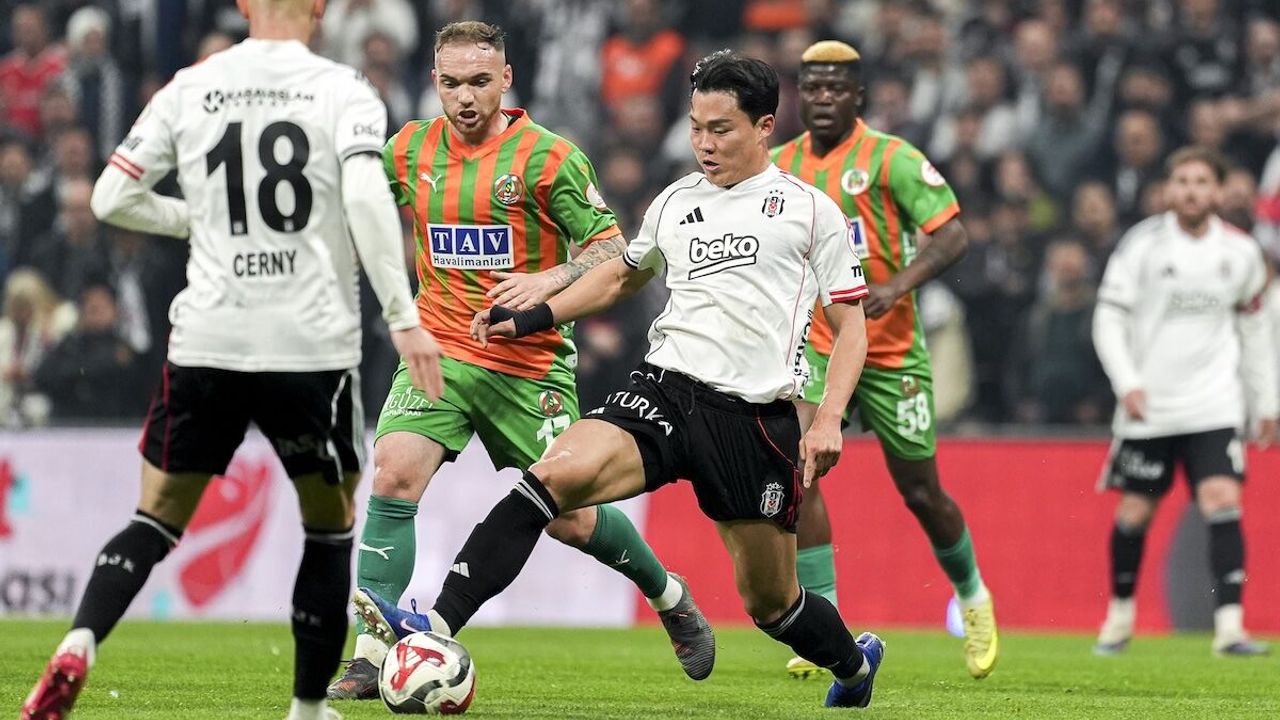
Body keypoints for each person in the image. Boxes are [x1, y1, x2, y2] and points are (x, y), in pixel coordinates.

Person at [357, 50, 888, 709]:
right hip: (664, 390)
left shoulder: (811, 212)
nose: (704, 143)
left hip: (751, 418)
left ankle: (853, 666)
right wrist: (535, 313)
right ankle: (434, 628)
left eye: (720, 129)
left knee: (771, 604)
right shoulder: (677, 201)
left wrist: (830, 416)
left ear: (764, 127)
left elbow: (851, 326)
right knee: (550, 478)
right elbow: (621, 277)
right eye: (695, 127)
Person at [20, 2, 443, 719]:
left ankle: (79, 643)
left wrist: (194, 219)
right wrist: (403, 316)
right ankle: (307, 710)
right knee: (329, 525)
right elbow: (367, 196)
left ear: (244, 5)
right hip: (309, 345)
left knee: (155, 518)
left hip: (208, 340)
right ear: (319, 8)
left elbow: (111, 196)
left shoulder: (191, 86)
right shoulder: (343, 89)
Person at [326, 20, 713, 700]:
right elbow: (357, 208)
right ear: (434, 82)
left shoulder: (549, 158)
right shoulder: (409, 149)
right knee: (392, 474)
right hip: (441, 350)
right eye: (451, 83)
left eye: (479, 82)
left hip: (528, 362)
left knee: (570, 517)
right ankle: (368, 652)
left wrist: (550, 279)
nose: (465, 97)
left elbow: (611, 247)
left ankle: (668, 594)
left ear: (505, 79)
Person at [770, 40, 998, 679]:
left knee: (921, 491)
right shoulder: (779, 166)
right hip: (818, 346)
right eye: (812, 88)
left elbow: (953, 234)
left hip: (892, 352)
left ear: (858, 95)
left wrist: (897, 286)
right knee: (801, 470)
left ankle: (973, 595)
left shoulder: (892, 159)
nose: (822, 99)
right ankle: (822, 625)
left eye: (835, 88)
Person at [1092, 146, 1277, 657]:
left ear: (1218, 191)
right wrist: (1126, 381)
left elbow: (1256, 328)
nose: (1191, 191)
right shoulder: (1142, 246)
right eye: (1182, 181)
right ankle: (1119, 618)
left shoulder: (1240, 253)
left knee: (1223, 499)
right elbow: (1108, 317)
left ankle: (1230, 629)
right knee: (1135, 511)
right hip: (1149, 407)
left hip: (1214, 404)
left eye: (1201, 182)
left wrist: (1266, 401)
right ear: (1168, 190)